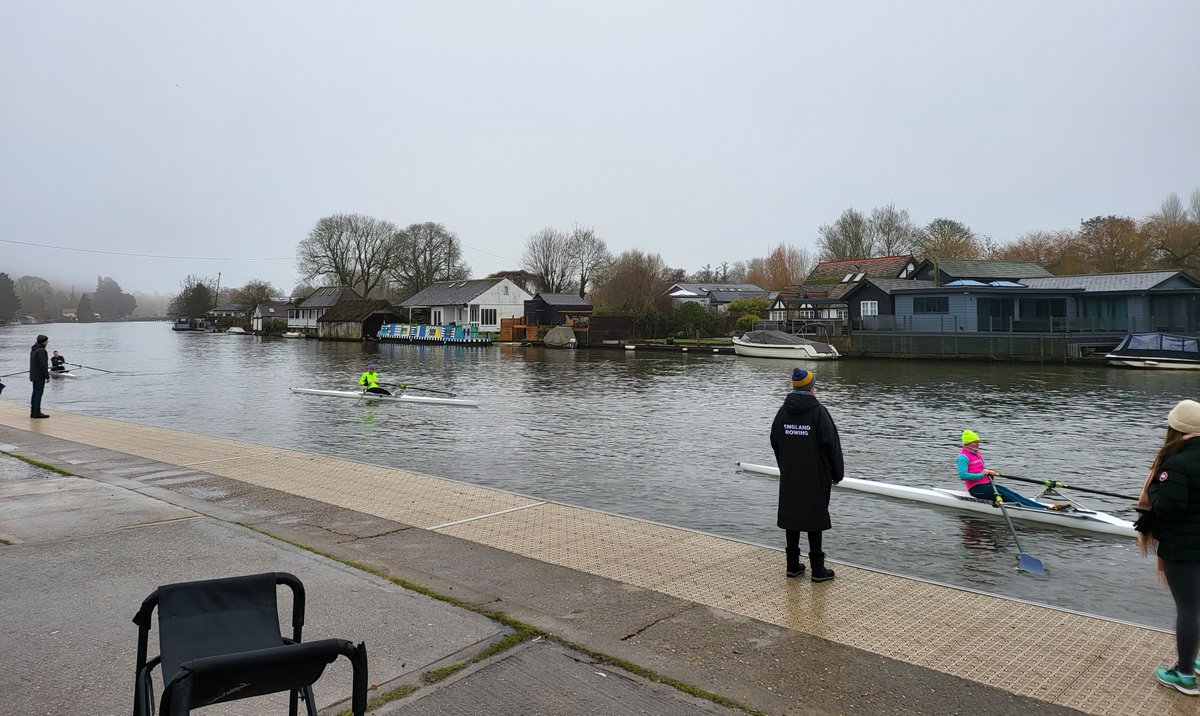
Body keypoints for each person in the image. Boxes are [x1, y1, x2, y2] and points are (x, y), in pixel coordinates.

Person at [1137, 399, 1200, 695]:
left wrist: (1155, 489)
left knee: (1188, 608)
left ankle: (1185, 675)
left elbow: (1170, 509)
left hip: (1183, 547)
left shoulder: (1176, 462)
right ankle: (1194, 661)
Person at [770, 367, 843, 582]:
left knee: (792, 516)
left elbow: (774, 440)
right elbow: (832, 446)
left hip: (791, 474)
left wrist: (785, 464)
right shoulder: (819, 412)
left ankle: (792, 565)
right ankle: (818, 569)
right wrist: (837, 473)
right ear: (812, 389)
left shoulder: (783, 412)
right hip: (815, 475)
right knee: (814, 518)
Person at [957, 430, 1049, 509]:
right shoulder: (963, 457)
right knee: (1007, 496)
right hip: (976, 489)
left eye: (978, 441)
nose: (978, 444)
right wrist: (983, 474)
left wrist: (989, 473)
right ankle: (1040, 510)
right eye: (975, 442)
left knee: (1012, 494)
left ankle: (1044, 507)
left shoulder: (977, 454)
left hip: (986, 484)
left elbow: (981, 469)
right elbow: (963, 476)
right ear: (967, 443)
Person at [29, 334, 50, 418]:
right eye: (47, 341)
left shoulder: (34, 350)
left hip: (33, 374)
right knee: (38, 394)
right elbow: (43, 365)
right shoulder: (41, 350)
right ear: (44, 342)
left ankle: (33, 412)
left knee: (34, 393)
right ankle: (37, 413)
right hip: (39, 375)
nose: (47, 342)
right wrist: (47, 376)